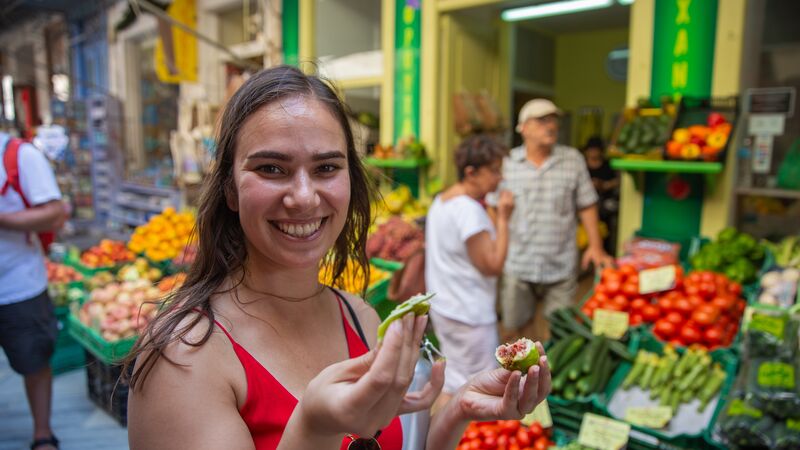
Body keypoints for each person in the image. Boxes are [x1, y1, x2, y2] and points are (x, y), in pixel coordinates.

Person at [126, 66, 551, 450]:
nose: (305, 197)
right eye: (272, 168)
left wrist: (459, 409)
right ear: (230, 190)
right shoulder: (184, 355)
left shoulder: (362, 318)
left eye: (327, 168)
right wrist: (312, 427)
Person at [496, 99, 614, 339]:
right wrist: (497, 246)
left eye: (553, 120)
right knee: (517, 325)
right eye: (542, 120)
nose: (550, 126)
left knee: (560, 328)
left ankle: (547, 370)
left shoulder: (572, 160)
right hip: (519, 261)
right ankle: (529, 367)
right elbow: (492, 206)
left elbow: (587, 204)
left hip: (560, 262)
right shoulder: (507, 164)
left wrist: (595, 246)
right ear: (524, 128)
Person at [425, 135, 514, 402]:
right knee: (479, 387)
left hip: (446, 306)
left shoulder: (443, 199)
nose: (500, 178)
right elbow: (493, 265)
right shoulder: (468, 212)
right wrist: (504, 219)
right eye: (495, 171)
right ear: (471, 173)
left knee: (454, 379)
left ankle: (446, 437)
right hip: (469, 313)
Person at [0, 131, 68, 450]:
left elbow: (55, 212)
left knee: (34, 358)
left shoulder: (19, 155)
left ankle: (42, 433)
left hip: (18, 283)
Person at [582, 137, 619, 253]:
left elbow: (618, 181)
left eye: (595, 150)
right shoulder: (581, 166)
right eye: (590, 150)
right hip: (584, 204)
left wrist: (604, 185)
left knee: (605, 231)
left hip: (604, 203)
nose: (593, 152)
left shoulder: (607, 165)